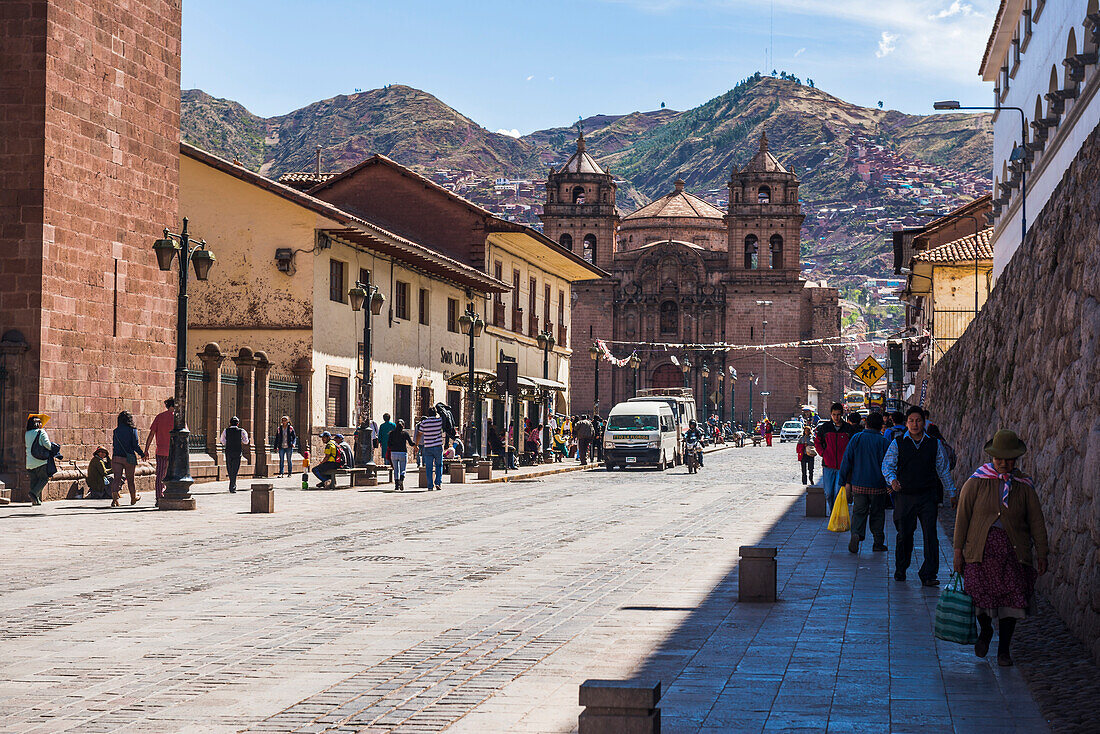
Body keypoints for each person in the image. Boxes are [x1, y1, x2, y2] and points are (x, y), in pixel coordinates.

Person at [953, 429, 1048, 666]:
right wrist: (958, 551)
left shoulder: (1024, 486)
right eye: (999, 459)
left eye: (1008, 459)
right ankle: (986, 631)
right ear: (991, 458)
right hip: (981, 553)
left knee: (1011, 604)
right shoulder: (976, 482)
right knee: (979, 598)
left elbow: (1036, 520)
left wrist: (1042, 552)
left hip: (1013, 555)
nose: (1003, 463)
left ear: (1015, 459)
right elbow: (962, 517)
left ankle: (1004, 650)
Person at [881, 406, 957, 586]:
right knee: (904, 534)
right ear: (906, 423)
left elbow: (943, 470)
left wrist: (952, 492)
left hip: (928, 496)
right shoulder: (897, 443)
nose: (915, 424)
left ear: (924, 422)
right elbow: (887, 466)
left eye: (918, 420)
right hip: (905, 497)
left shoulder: (934, 444)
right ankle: (901, 568)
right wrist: (892, 481)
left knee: (930, 534)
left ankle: (929, 573)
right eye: (911, 421)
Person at [839, 411, 891, 554]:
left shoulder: (857, 438)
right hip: (878, 486)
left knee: (859, 512)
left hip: (859, 485)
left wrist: (842, 480)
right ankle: (878, 542)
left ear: (866, 424)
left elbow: (846, 460)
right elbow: (890, 465)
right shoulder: (884, 442)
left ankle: (856, 534)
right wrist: (890, 484)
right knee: (878, 514)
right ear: (881, 425)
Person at [814, 402, 857, 516]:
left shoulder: (848, 429)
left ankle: (835, 514)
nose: (836, 417)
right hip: (828, 465)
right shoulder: (825, 428)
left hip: (843, 466)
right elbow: (817, 442)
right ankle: (833, 511)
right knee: (828, 493)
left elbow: (853, 445)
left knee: (838, 492)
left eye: (838, 415)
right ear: (831, 415)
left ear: (842, 415)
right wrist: (823, 453)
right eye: (834, 414)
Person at [144, 398, 175, 505]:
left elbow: (151, 434)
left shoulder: (160, 417)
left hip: (161, 451)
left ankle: (158, 497)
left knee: (160, 475)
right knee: (173, 475)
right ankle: (170, 495)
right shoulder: (178, 418)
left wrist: (146, 449)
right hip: (174, 453)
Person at [111, 410, 146, 506]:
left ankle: (114, 500)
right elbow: (135, 445)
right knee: (130, 479)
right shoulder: (132, 430)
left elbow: (115, 444)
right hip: (129, 458)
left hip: (116, 457)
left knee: (116, 479)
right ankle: (133, 498)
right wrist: (142, 454)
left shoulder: (116, 431)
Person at [24, 414, 56, 506]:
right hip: (40, 461)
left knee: (34, 480)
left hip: (29, 462)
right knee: (44, 478)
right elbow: (48, 445)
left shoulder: (27, 433)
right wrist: (52, 448)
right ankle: (33, 493)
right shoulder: (41, 432)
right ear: (38, 424)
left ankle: (36, 500)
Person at [415, 406, 445, 491]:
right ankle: (438, 483)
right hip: (438, 446)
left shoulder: (424, 423)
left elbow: (419, 434)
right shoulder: (439, 421)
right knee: (439, 465)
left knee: (429, 467)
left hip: (427, 447)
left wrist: (416, 445)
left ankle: (430, 485)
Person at [219, 416, 249, 493]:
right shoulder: (241, 431)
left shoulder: (226, 430)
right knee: (235, 469)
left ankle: (232, 485)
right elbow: (246, 441)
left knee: (229, 468)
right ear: (238, 424)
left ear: (230, 423)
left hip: (229, 451)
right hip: (237, 451)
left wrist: (228, 443)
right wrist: (240, 440)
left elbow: (222, 440)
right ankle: (233, 486)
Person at [387, 419, 416, 490]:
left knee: (396, 469)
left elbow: (389, 444)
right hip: (403, 453)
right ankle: (401, 480)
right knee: (403, 469)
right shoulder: (405, 433)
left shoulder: (391, 433)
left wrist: (393, 447)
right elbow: (411, 443)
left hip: (394, 453)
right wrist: (416, 445)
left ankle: (396, 485)